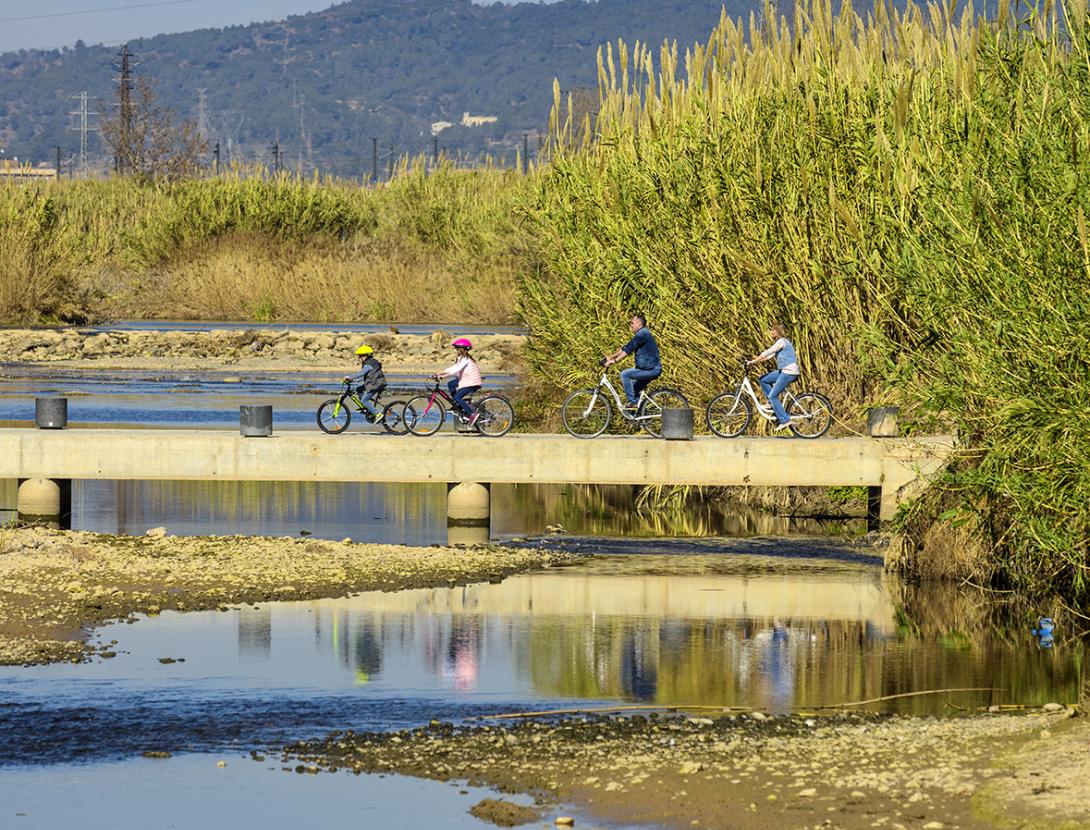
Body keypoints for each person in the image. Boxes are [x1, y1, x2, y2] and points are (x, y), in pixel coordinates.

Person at [602, 312, 661, 410]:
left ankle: (634, 403)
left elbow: (629, 349)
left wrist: (615, 360)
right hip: (647, 369)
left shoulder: (643, 334)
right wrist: (611, 357)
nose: (631, 325)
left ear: (639, 324)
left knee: (625, 374)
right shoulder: (641, 333)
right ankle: (642, 414)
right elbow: (626, 347)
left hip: (651, 370)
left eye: (632, 323)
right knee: (634, 390)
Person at [747, 323, 800, 431]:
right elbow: (769, 356)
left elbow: (768, 352)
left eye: (773, 331)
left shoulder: (782, 342)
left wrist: (754, 361)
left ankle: (785, 420)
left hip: (789, 372)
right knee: (763, 380)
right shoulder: (780, 343)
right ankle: (772, 404)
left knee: (772, 396)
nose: (771, 332)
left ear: (778, 332)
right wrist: (753, 362)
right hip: (784, 371)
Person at [436, 337, 482, 423]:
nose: (456, 350)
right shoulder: (461, 358)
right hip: (466, 380)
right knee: (451, 384)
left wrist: (442, 374)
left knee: (457, 397)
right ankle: (457, 405)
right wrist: (442, 374)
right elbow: (454, 368)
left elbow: (456, 369)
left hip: (471, 382)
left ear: (462, 349)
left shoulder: (466, 360)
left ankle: (472, 414)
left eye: (457, 348)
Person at [344, 343, 387, 420]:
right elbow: (368, 376)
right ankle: (366, 407)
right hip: (373, 383)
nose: (359, 358)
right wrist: (355, 380)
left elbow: (361, 373)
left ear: (366, 356)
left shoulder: (368, 364)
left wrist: (350, 377)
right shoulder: (369, 363)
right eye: (359, 356)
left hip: (375, 384)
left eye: (360, 356)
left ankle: (377, 414)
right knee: (359, 389)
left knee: (364, 400)